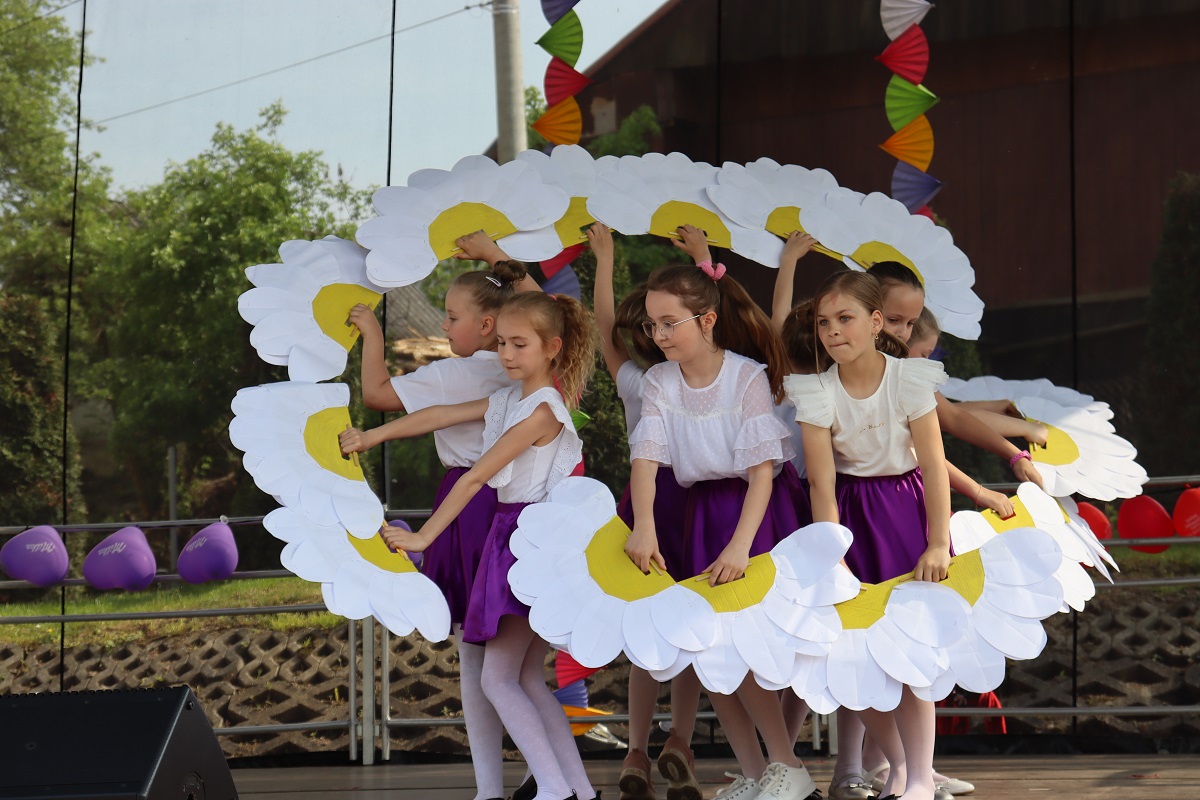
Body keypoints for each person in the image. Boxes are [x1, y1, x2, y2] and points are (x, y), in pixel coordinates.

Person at [341, 291, 600, 800]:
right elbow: (439, 415)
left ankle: (555, 788)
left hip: (529, 545)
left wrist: (423, 536)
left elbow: (476, 477)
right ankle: (579, 792)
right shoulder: (510, 401)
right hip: (517, 541)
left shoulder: (542, 411)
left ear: (552, 347)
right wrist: (371, 438)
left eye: (519, 344)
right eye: (501, 343)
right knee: (525, 679)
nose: (506, 354)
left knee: (497, 680)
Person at [626, 224, 819, 800]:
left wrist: (740, 546)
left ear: (706, 320)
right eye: (652, 325)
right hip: (700, 516)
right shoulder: (659, 381)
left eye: (669, 323)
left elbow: (763, 472)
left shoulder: (747, 376)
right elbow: (646, 460)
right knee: (710, 654)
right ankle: (757, 775)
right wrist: (644, 526)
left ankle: (788, 765)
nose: (659, 335)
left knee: (748, 646)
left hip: (756, 517)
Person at [350, 230, 528, 800]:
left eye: (452, 317)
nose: (444, 327)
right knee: (522, 660)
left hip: (469, 511)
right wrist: (495, 254)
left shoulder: (453, 375)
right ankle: (543, 775)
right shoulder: (527, 372)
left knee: (476, 657)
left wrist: (372, 333)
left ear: (487, 325)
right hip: (521, 507)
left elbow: (377, 394)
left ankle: (490, 788)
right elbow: (542, 308)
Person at [786, 270, 951, 800]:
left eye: (845, 318)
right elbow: (822, 482)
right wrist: (833, 553)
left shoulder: (908, 380)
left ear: (877, 322)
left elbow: (934, 465)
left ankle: (920, 777)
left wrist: (937, 542)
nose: (833, 330)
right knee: (854, 651)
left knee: (912, 647)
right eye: (823, 322)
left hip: (905, 512)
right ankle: (896, 767)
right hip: (851, 520)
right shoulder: (816, 392)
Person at [589, 223, 703, 800]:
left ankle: (637, 749)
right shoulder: (685, 377)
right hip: (685, 504)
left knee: (650, 632)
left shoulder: (635, 378)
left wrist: (604, 258)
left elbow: (604, 328)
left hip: (650, 503)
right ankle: (676, 740)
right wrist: (703, 258)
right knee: (685, 630)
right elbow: (711, 315)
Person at [869, 262, 1045, 493]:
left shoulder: (902, 374)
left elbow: (950, 415)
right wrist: (979, 491)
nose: (903, 333)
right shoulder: (863, 374)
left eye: (910, 323)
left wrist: (1014, 449)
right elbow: (944, 424)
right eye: (894, 320)